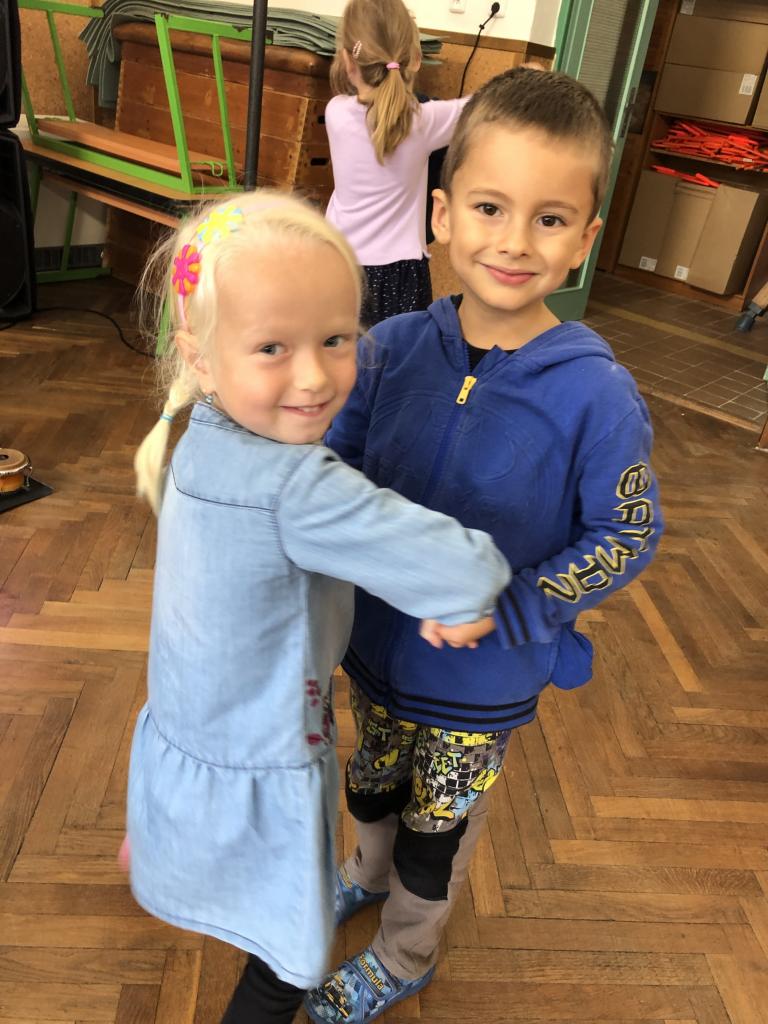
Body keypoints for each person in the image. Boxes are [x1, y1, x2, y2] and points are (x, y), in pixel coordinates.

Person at [305, 67, 664, 1024]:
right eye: (490, 207)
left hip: (482, 681)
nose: (512, 241)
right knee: (371, 782)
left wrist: (517, 606)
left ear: (585, 240)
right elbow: (336, 471)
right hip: (372, 649)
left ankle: (406, 950)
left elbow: (628, 528)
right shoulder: (389, 347)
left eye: (550, 219)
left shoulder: (597, 394)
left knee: (439, 829)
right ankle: (363, 871)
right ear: (441, 215)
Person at [124, 190, 511, 1024]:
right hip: (267, 757)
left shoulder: (199, 436)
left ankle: (180, 855)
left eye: (336, 339)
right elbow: (455, 561)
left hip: (190, 735)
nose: (313, 375)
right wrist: (463, 588)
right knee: (290, 963)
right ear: (200, 357)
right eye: (273, 347)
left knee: (233, 887)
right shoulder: (297, 485)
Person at [324, 0, 470, 326]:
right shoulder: (424, 121)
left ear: (347, 61)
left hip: (337, 262)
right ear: (415, 59)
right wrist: (524, 76)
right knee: (400, 355)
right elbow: (482, 108)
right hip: (401, 274)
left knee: (339, 352)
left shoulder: (336, 113)